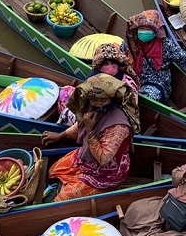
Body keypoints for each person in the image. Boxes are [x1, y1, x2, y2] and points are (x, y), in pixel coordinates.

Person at [40, 73, 139, 202]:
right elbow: (80, 124)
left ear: (111, 99)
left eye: (103, 100)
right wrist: (60, 135)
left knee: (61, 200)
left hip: (107, 173)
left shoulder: (118, 125)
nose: (98, 104)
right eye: (94, 100)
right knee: (52, 171)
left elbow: (104, 158)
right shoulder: (92, 107)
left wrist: (90, 130)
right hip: (86, 158)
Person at [123, 10, 186, 103]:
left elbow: (184, 58)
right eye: (141, 29)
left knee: (148, 97)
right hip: (132, 78)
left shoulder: (165, 45)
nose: (144, 32)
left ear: (155, 31)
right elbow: (120, 56)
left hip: (157, 83)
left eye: (148, 29)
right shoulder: (131, 43)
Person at [55, 44, 138, 128]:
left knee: (65, 113)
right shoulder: (95, 76)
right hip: (91, 110)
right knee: (66, 90)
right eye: (106, 63)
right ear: (100, 66)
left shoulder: (127, 82)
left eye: (113, 63)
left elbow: (129, 108)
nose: (110, 67)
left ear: (119, 65)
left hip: (107, 119)